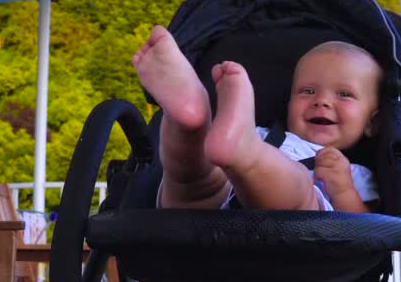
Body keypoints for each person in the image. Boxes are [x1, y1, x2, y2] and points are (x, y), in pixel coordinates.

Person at [132, 25, 382, 212]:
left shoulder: (355, 174)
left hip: (303, 235)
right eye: (307, 91)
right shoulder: (250, 133)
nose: (322, 101)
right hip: (208, 219)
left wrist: (344, 191)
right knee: (196, 176)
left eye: (344, 94)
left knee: (299, 190)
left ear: (373, 123)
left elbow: (369, 232)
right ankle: (190, 124)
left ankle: (209, 136)